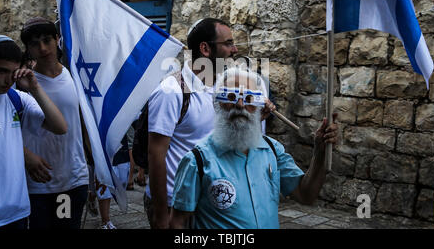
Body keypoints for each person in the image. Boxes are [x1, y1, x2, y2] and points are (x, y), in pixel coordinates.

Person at [145, 18, 276, 229]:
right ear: (205, 49)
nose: (235, 49)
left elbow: (228, 139)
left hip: (210, 201)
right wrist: (161, 216)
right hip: (175, 202)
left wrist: (256, 118)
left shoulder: (225, 88)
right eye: (228, 43)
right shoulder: (171, 90)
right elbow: (156, 154)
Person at [170, 67, 338, 229]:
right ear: (217, 104)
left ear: (258, 106)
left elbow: (305, 195)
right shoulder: (196, 161)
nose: (241, 104)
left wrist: (320, 152)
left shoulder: (273, 150)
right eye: (231, 96)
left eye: (249, 98)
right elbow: (177, 223)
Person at [0, 34, 67, 230]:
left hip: (18, 213)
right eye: (1, 71)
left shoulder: (15, 98)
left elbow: (60, 126)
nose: (8, 79)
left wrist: (35, 88)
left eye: (13, 72)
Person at [19, 17, 89, 229]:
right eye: (34, 43)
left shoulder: (75, 75)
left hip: (71, 179)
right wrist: (25, 155)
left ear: (57, 39)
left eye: (47, 40)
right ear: (28, 49)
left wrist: (97, 165)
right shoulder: (22, 84)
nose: (42, 48)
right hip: (39, 183)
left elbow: (82, 121)